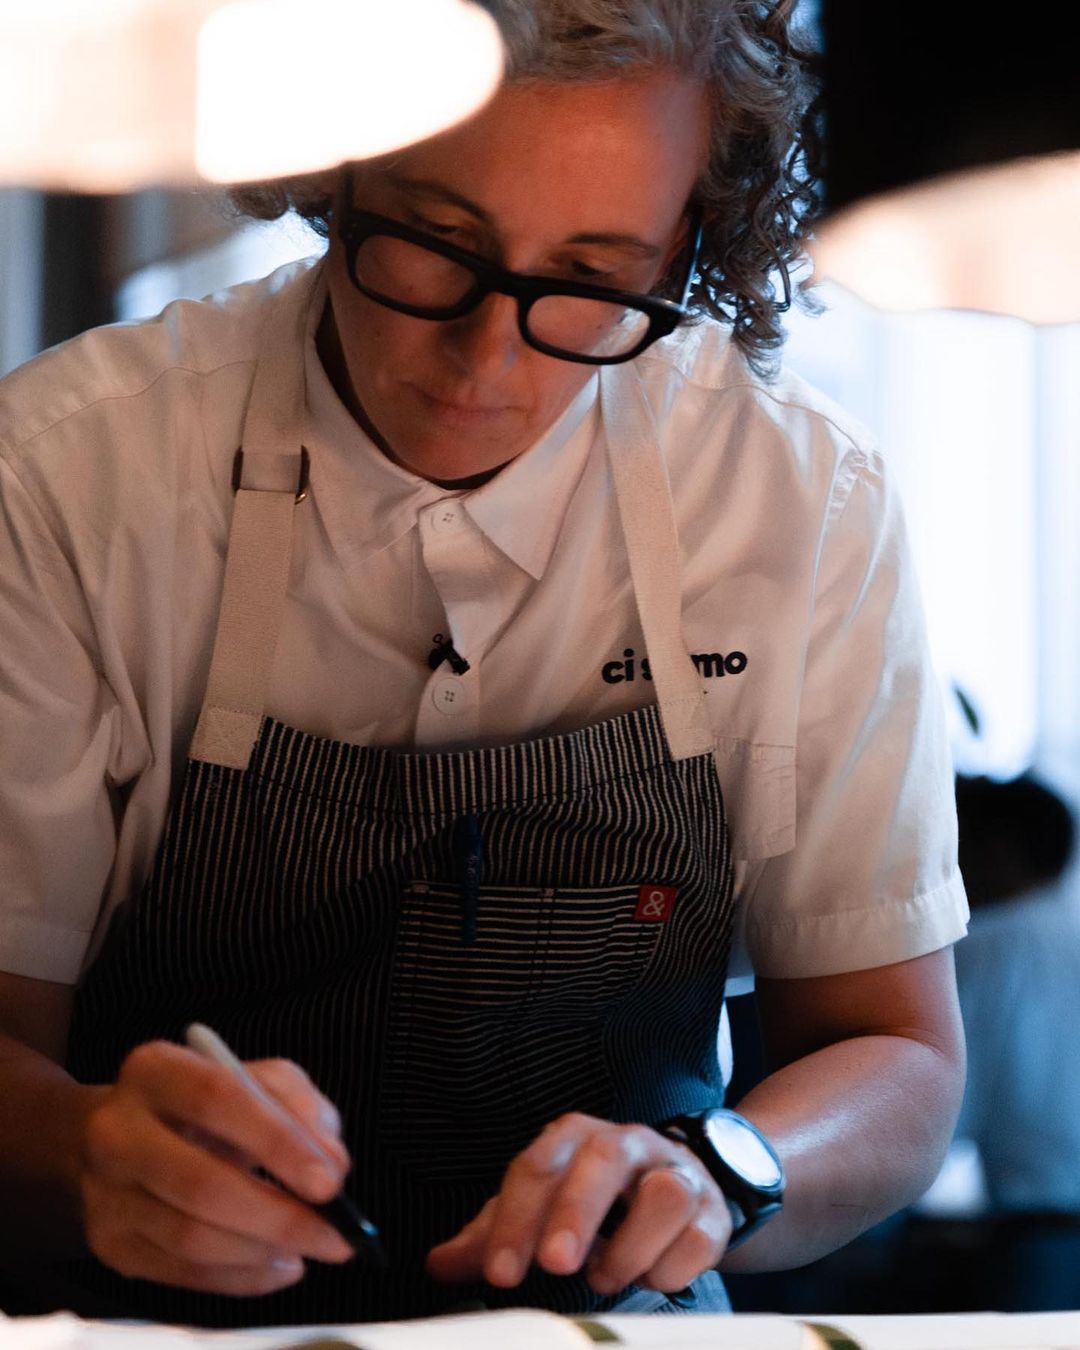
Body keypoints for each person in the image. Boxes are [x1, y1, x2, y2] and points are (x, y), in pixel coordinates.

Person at [0, 0, 968, 1328]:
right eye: (434, 243)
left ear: (691, 242)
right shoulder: (69, 471)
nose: (485, 358)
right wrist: (85, 1155)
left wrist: (726, 1168)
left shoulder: (802, 498)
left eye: (593, 276)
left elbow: (899, 1049)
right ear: (332, 175)